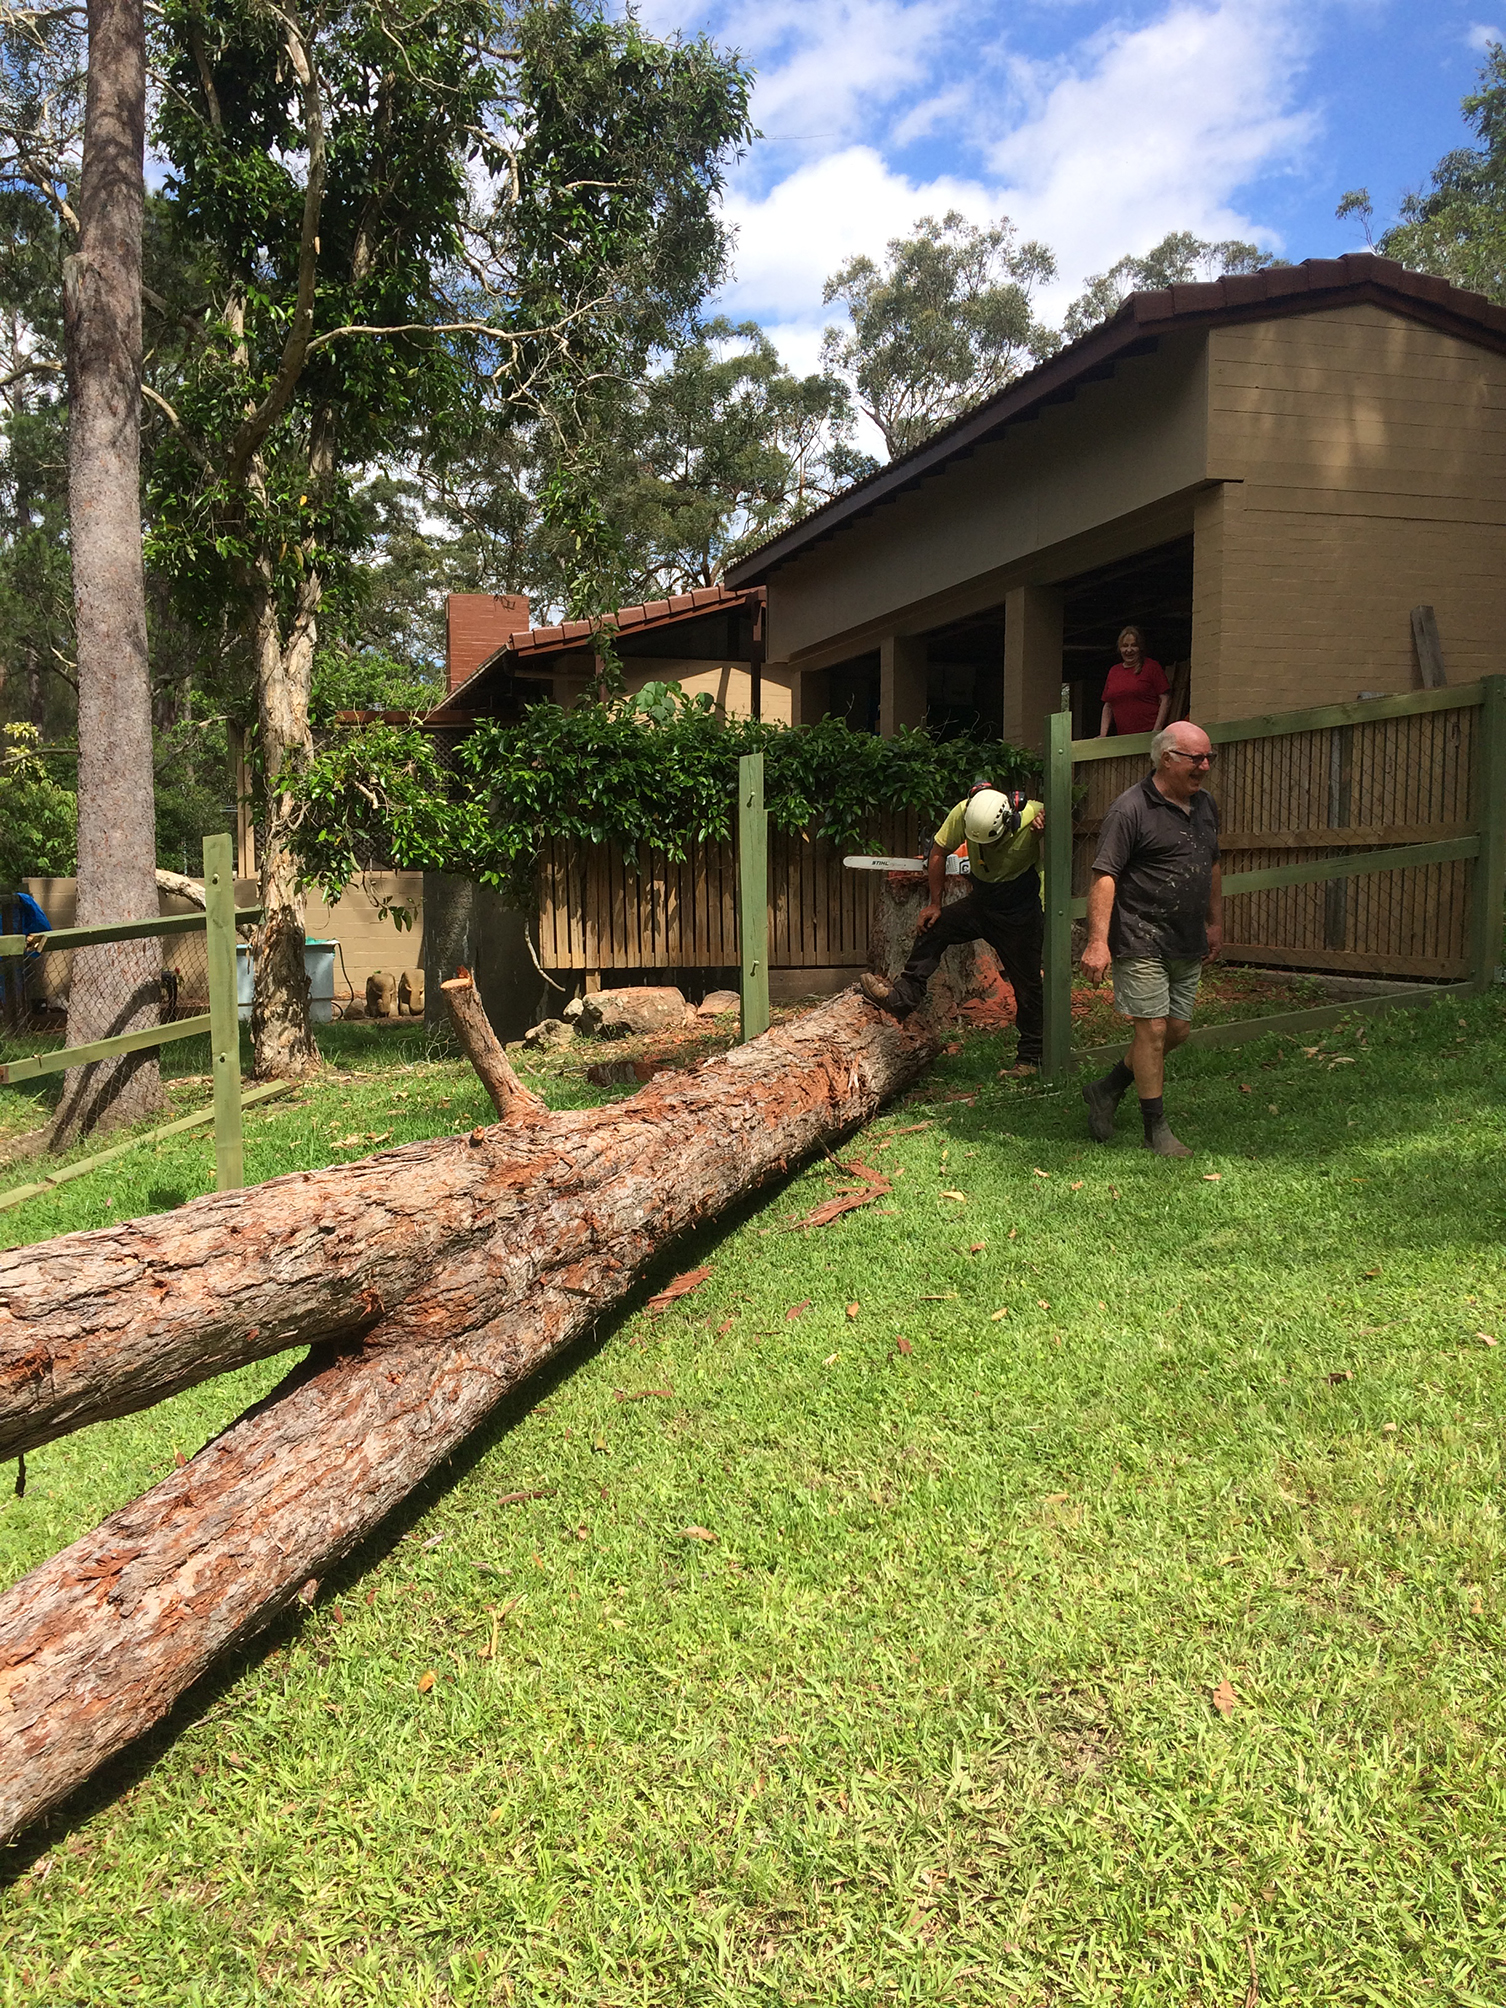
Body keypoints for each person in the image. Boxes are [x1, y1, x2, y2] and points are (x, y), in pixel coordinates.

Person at [1078, 720, 1222, 1156]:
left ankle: (1107, 1088)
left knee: (1176, 1031)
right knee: (1154, 1030)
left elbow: (1212, 866)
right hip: (1140, 937)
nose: (1204, 766)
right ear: (1166, 758)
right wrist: (1097, 941)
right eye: (1195, 758)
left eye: (1208, 758)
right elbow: (1105, 876)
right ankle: (1155, 1129)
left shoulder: (1206, 806)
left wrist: (1215, 923)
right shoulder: (1131, 808)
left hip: (1186, 937)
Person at [861, 783, 1045, 1075]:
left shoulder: (1033, 815)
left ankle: (1031, 1058)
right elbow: (939, 850)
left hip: (1019, 908)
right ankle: (902, 998)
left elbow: (1060, 840)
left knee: (1028, 983)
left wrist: (1046, 828)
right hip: (982, 900)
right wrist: (935, 903)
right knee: (935, 927)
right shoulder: (966, 811)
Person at [1099, 625, 1171, 738]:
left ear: (1140, 647)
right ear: (1119, 648)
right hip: (1124, 737)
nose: (1129, 650)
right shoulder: (1114, 671)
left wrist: (1156, 730)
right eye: (1125, 646)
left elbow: (1165, 699)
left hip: (1149, 734)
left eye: (1133, 645)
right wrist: (1103, 735)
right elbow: (1108, 705)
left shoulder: (1151, 667)